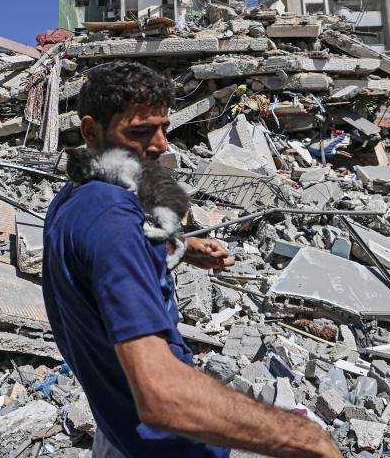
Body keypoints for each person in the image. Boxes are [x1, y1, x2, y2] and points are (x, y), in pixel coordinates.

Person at [42, 61, 342, 458]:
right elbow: (162, 397)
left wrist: (182, 248)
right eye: (139, 132)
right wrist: (308, 438)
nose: (160, 144)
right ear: (90, 131)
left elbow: (97, 266)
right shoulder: (111, 219)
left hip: (116, 427)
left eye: (164, 127)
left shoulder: (75, 196)